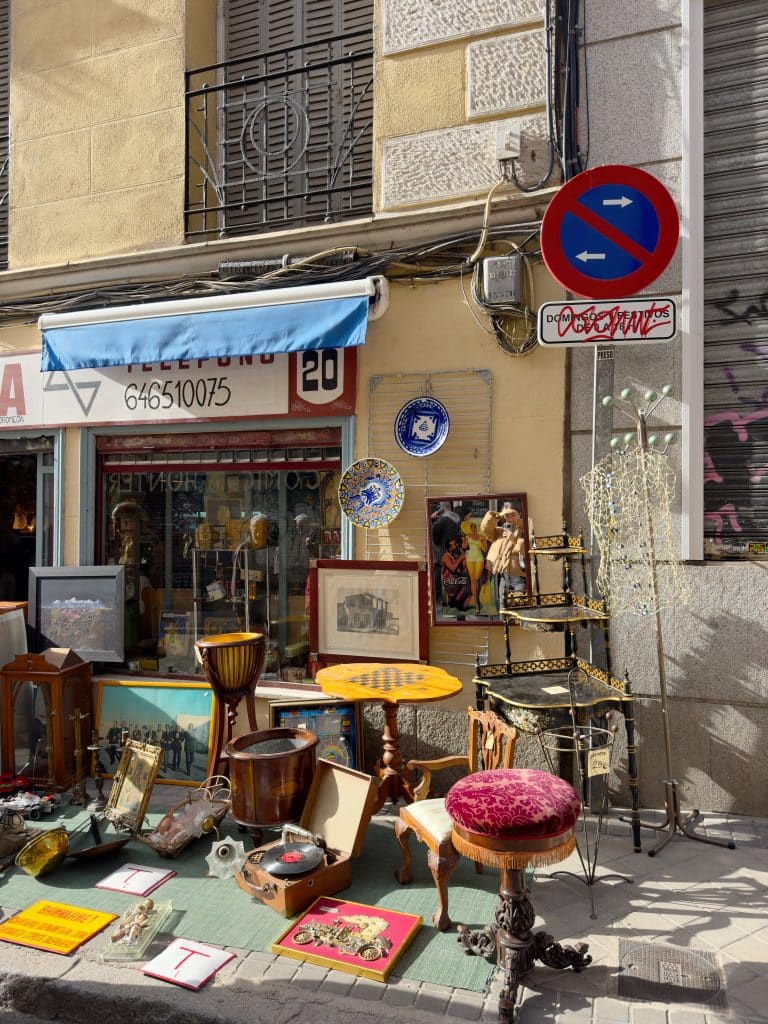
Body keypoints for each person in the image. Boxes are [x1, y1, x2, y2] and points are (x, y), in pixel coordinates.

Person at [481, 502, 527, 612]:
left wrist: (514, 539)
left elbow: (528, 549)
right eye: (507, 515)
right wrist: (497, 516)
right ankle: (505, 626)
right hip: (504, 576)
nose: (510, 518)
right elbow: (485, 530)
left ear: (520, 514)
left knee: (519, 605)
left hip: (519, 577)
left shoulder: (525, 528)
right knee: (503, 607)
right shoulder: (499, 531)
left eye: (513, 514)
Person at [440, 536, 473, 617]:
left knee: (469, 584)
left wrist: (463, 556)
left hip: (457, 579)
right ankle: (455, 600)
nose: (457, 545)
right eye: (455, 544)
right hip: (450, 581)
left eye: (456, 543)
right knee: (466, 584)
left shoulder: (456, 555)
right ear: (450, 548)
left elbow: (463, 568)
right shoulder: (445, 556)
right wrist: (460, 559)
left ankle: (458, 602)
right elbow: (453, 569)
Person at [461, 516, 488, 613]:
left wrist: (482, 542)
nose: (473, 528)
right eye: (471, 527)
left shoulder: (482, 537)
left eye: (475, 527)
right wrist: (464, 541)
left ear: (477, 527)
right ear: (470, 528)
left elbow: (484, 550)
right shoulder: (467, 536)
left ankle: (477, 599)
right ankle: (476, 603)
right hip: (470, 559)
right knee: (473, 579)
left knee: (476, 579)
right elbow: (464, 547)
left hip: (479, 559)